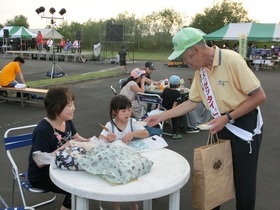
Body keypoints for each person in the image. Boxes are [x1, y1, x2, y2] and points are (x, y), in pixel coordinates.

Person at [145, 27, 266, 210]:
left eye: (185, 58)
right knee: (214, 174)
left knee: (244, 182)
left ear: (196, 50)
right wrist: (162, 116)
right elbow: (192, 102)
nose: (186, 63)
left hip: (244, 124)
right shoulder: (200, 72)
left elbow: (259, 96)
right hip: (222, 123)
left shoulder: (231, 59)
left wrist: (228, 117)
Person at [28, 86, 90, 210]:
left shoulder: (66, 120)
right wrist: (65, 147)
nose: (74, 108)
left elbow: (76, 136)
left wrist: (92, 141)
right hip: (43, 174)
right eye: (70, 105)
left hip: (61, 167)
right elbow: (40, 162)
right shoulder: (43, 130)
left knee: (86, 180)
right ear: (57, 108)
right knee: (76, 190)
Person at [99, 94, 149, 210]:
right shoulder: (109, 125)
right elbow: (99, 140)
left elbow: (146, 133)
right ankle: (116, 205)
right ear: (115, 112)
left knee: (131, 179)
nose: (127, 113)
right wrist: (107, 138)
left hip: (129, 158)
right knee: (115, 180)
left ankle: (133, 203)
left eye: (129, 110)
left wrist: (133, 133)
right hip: (115, 160)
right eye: (123, 111)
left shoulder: (132, 122)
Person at [160, 75, 183, 139]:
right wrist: (172, 113)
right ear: (178, 85)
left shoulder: (166, 90)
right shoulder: (177, 93)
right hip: (170, 109)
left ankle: (164, 122)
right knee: (176, 118)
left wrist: (158, 108)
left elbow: (161, 100)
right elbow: (174, 105)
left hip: (163, 108)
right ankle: (175, 133)